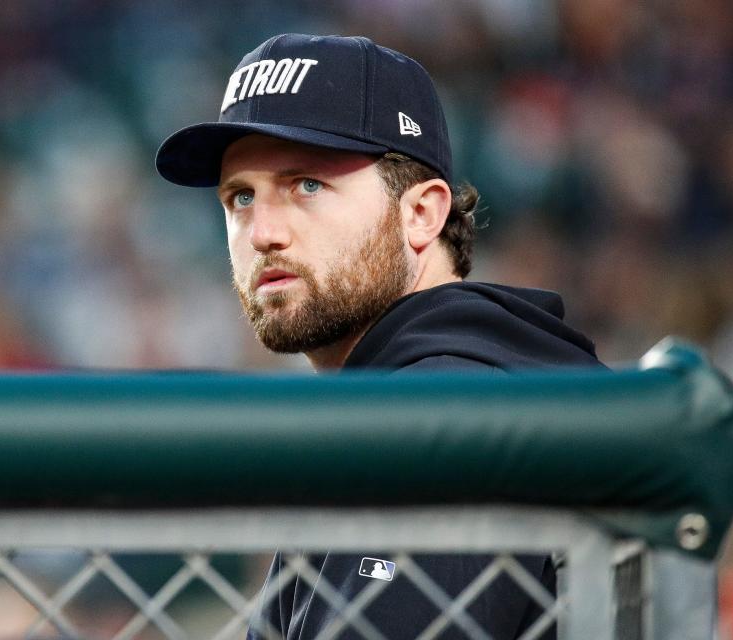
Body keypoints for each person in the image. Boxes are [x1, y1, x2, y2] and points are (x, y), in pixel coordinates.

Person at [156, 33, 604, 640]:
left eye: (307, 185)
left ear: (421, 213)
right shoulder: (425, 396)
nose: (261, 232)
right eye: (240, 197)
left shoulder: (449, 418)